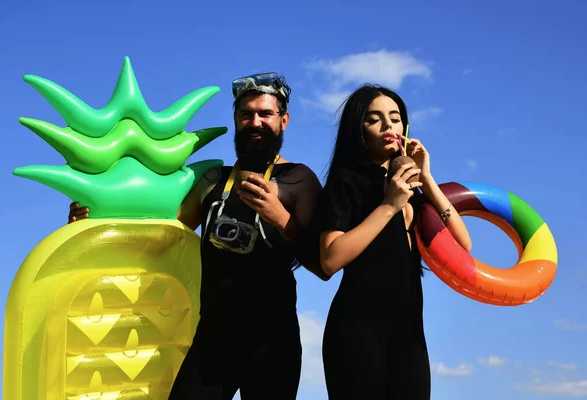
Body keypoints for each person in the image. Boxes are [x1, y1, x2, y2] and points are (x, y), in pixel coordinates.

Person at [68, 72, 326, 399]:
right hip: (214, 336)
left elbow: (320, 263)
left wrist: (280, 216)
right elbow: (161, 234)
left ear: (284, 120)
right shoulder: (213, 179)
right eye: (246, 115)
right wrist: (91, 222)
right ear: (235, 120)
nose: (255, 122)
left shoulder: (298, 178)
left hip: (273, 339)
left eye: (265, 114)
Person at [317, 84, 472, 399]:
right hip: (356, 332)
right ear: (357, 129)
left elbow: (462, 245)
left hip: (410, 337)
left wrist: (426, 179)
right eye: (374, 119)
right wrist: (388, 206)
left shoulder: (414, 190)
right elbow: (329, 260)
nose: (388, 126)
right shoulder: (346, 182)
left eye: (396, 118)